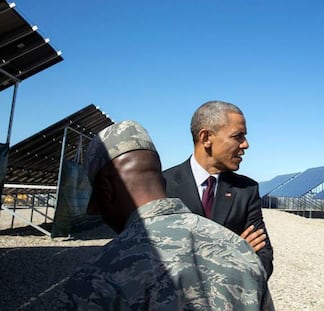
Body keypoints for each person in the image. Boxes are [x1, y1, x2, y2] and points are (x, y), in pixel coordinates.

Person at [59, 120, 274, 310]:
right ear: (162, 181)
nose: (93, 210)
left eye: (95, 199)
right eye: (238, 136)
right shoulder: (241, 252)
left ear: (106, 191)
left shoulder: (96, 279)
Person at [163, 100, 274, 279]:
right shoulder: (163, 186)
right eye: (238, 136)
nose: (246, 144)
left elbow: (264, 258)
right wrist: (231, 253)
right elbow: (154, 256)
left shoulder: (246, 190)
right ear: (206, 138)